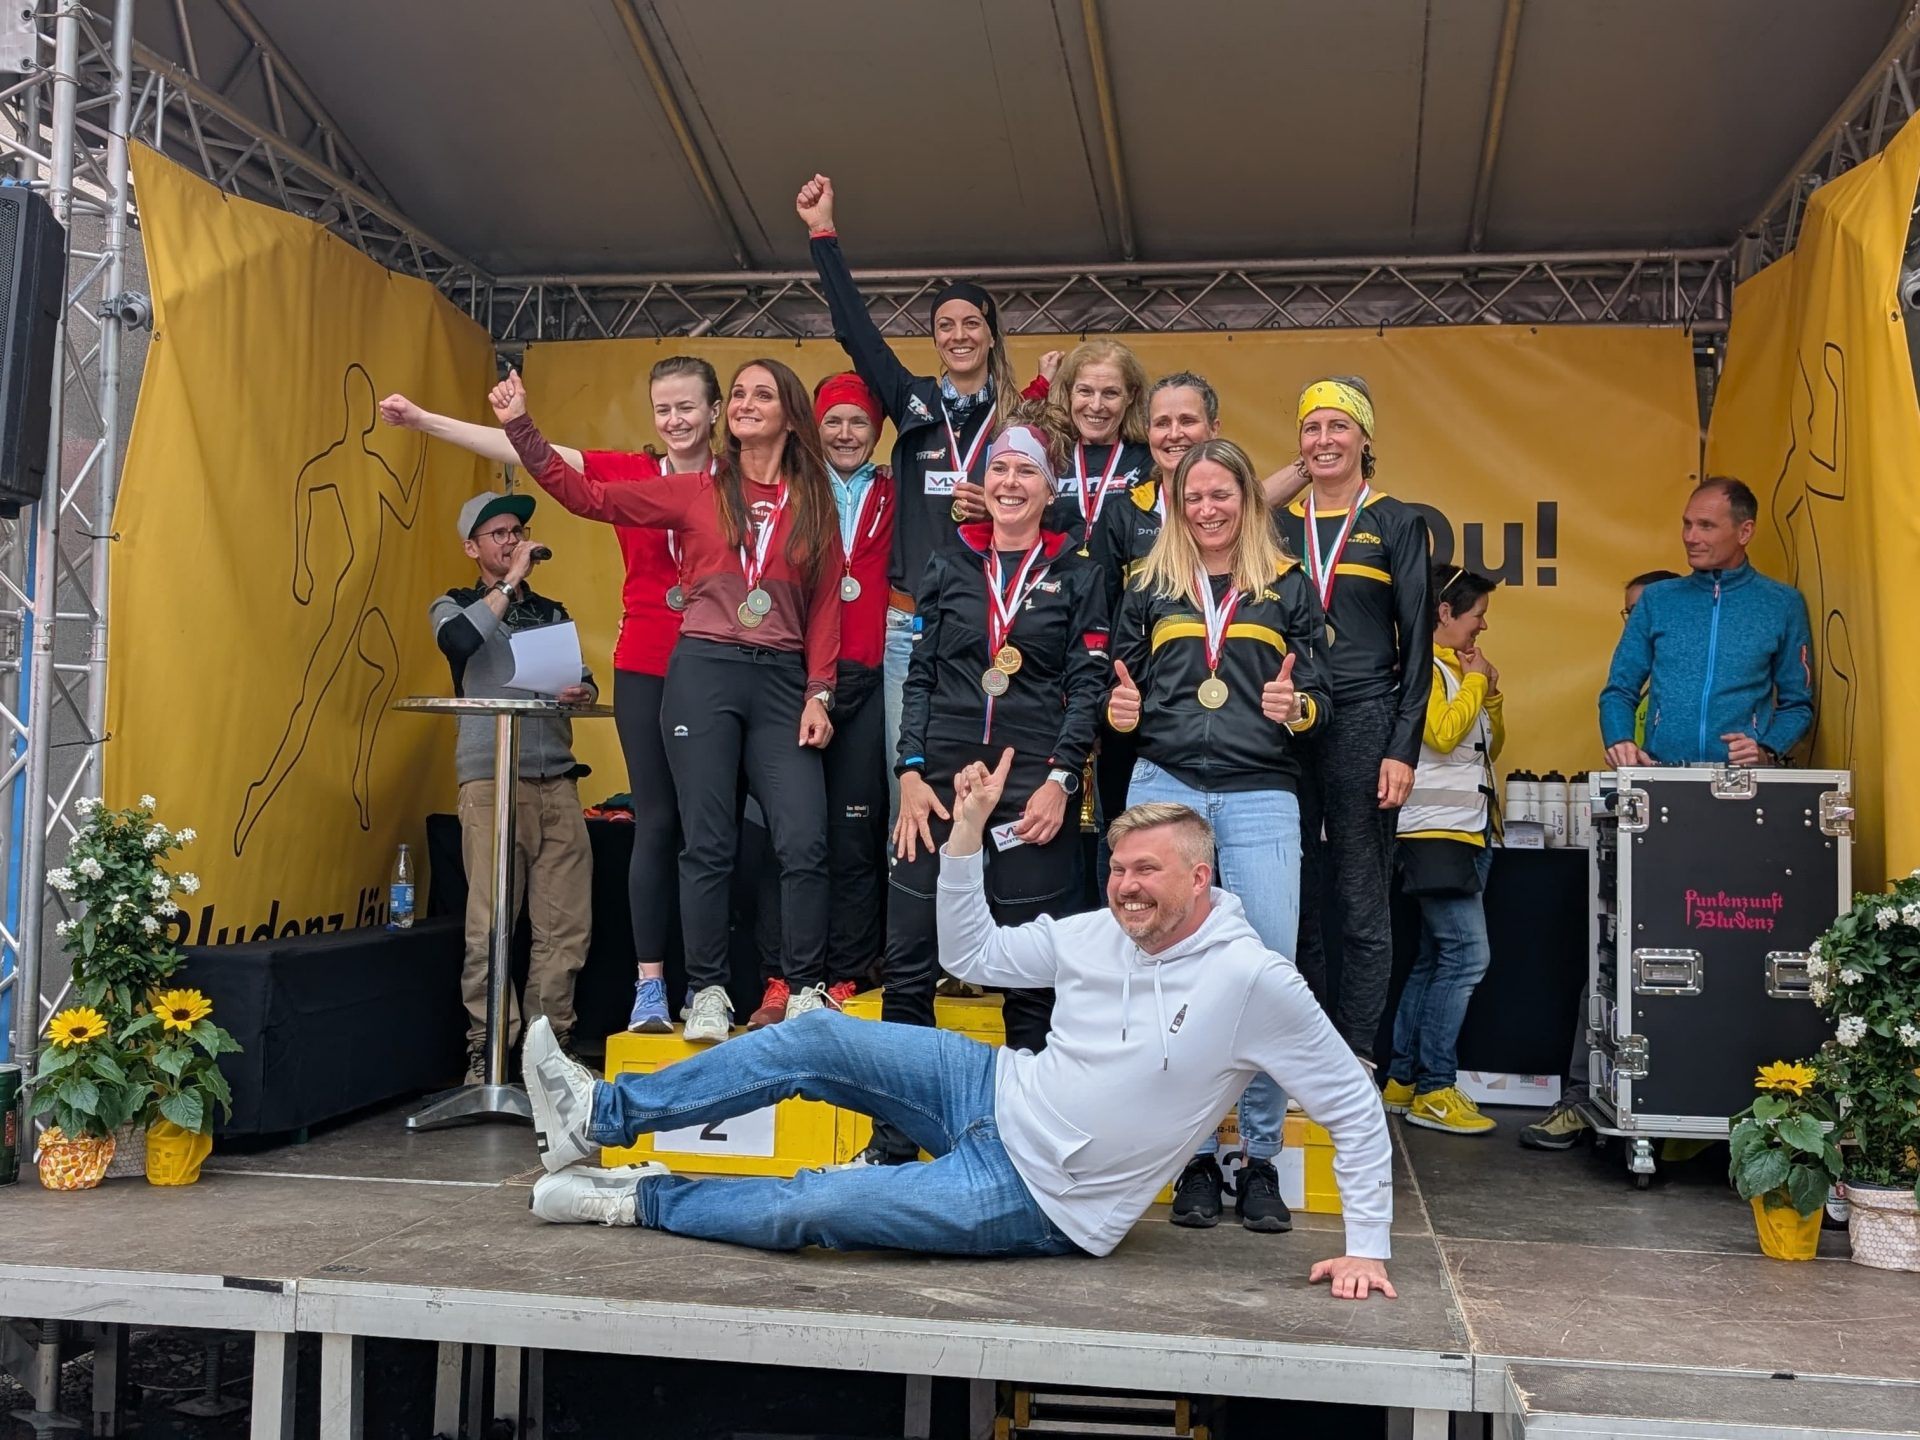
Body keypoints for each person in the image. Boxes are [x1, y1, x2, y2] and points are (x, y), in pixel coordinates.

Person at [520, 782, 1397, 1301]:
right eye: (1120, 869)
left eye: (1148, 872)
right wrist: (968, 839)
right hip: (992, 1089)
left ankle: (635, 1199)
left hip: (1046, 1199)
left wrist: (1368, 1248)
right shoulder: (1097, 931)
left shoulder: (1252, 980)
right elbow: (972, 953)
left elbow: (1355, 1109)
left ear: (1201, 878)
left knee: (821, 1206)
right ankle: (601, 1112)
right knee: (815, 1036)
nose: (1126, 887)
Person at [499, 360, 842, 1043]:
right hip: (704, 669)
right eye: (738, 392)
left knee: (804, 836)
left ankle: (805, 986)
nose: (745, 403)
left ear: (788, 413)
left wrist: (820, 692)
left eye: (759, 394)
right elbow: (588, 497)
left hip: (780, 678)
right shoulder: (695, 491)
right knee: (706, 839)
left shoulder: (815, 500)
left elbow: (828, 600)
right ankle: (707, 990)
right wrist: (520, 428)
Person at [381, 357, 723, 1034]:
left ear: (715, 411)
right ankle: (633, 997)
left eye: (688, 407)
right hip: (649, 659)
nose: (676, 421)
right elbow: (525, 448)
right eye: (664, 409)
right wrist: (424, 422)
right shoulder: (630, 472)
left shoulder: (742, 480)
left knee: (716, 832)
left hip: (726, 660)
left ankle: (713, 989)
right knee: (655, 825)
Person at [853, 423, 1110, 1166]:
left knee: (1028, 976)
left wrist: (1064, 779)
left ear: (1049, 488)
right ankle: (894, 1142)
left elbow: (1087, 685)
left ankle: (1021, 1144)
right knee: (908, 966)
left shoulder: (1079, 571)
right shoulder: (947, 563)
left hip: (1033, 786)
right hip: (938, 785)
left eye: (1026, 471)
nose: (1010, 483)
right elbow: (922, 675)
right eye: (999, 469)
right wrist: (906, 773)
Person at [1107, 438, 1331, 1231]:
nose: (1207, 509)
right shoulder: (1148, 586)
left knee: (1266, 976)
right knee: (1172, 980)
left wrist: (1298, 710)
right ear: (1177, 504)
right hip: (1167, 789)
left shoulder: (1288, 588)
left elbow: (1323, 697)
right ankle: (1194, 1159)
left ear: (1248, 500)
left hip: (1263, 794)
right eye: (1193, 496)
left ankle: (1258, 1160)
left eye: (1221, 495)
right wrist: (1118, 714)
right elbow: (1117, 686)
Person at [796, 174, 1052, 795]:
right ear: (934, 338)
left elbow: (1056, 511)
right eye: (945, 326)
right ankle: (909, 892)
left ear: (992, 333)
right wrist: (823, 234)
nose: (958, 335)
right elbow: (855, 331)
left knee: (989, 782)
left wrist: (992, 512)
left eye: (971, 323)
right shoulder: (912, 401)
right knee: (906, 785)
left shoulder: (1020, 421)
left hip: (994, 623)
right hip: (909, 626)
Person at [1275, 377, 1433, 1063]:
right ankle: (1301, 1046)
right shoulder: (1278, 526)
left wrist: (1404, 748)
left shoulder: (1396, 522)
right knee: (1292, 889)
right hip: (1286, 722)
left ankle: (1358, 1051)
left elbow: (1420, 643)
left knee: (1361, 891)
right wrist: (1290, 477)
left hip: (1366, 718)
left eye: (1340, 427)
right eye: (1312, 428)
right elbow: (1216, 504)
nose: (1325, 441)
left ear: (1366, 439)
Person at [746, 373, 896, 1028]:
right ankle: (782, 975)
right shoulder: (792, 490)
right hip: (796, 677)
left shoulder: (896, 492)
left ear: (877, 430)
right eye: (833, 421)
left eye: (857, 422)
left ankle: (844, 972)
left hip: (866, 674)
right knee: (792, 836)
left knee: (855, 836)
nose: (844, 433)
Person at [430, 490, 597, 1078]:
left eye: (517, 530)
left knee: (565, 926)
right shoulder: (454, 604)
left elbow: (585, 680)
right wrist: (509, 584)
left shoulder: (551, 609)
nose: (510, 540)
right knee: (492, 920)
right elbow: (458, 644)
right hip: (491, 782)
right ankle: (488, 1047)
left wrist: (581, 691)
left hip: (556, 780)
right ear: (471, 547)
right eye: (497, 533)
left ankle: (550, 1051)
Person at [1381, 565, 1506, 1136]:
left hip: (1465, 831)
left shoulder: (1455, 672)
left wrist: (1491, 696)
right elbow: (1440, 734)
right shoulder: (1421, 668)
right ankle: (1435, 1088)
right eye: (1475, 613)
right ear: (1444, 613)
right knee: (1467, 958)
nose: (1482, 625)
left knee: (1436, 959)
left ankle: (1404, 1079)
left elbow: (1485, 747)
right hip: (1432, 832)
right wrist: (1477, 682)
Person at [1599, 477, 1813, 771]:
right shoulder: (1657, 600)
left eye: (1706, 526)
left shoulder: (1782, 604)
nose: (1690, 536)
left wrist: (1766, 749)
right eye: (1687, 524)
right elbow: (1619, 689)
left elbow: (1797, 704)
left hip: (1744, 785)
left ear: (1745, 532)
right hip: (1662, 778)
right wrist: (1619, 739)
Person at [1042, 340, 1153, 553]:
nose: (1095, 406)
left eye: (1110, 393)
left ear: (1131, 395)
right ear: (1068, 391)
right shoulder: (1049, 454)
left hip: (1124, 583)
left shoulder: (1150, 459)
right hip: (1057, 583)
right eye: (1085, 391)